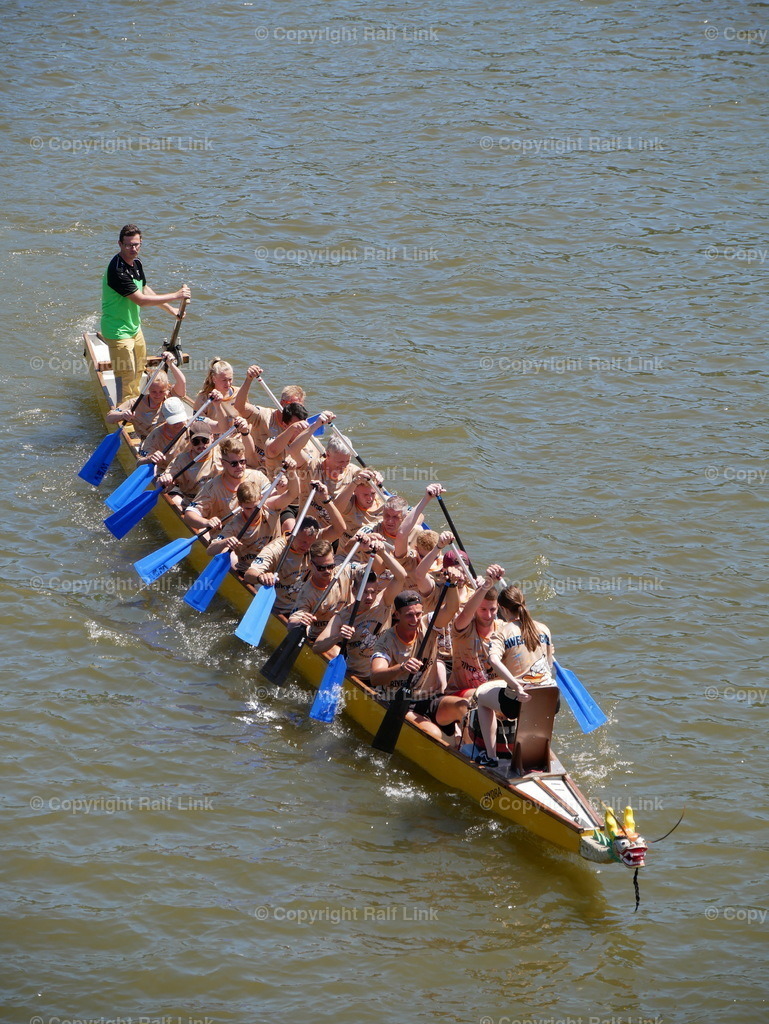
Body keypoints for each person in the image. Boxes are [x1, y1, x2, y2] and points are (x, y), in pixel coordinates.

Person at [101, 225, 190, 402]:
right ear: (120, 244)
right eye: (128, 245)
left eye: (136, 244)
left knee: (139, 369)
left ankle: (137, 405)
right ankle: (125, 416)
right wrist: (176, 295)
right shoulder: (117, 270)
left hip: (134, 328)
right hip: (117, 331)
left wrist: (171, 310)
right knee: (126, 376)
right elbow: (140, 300)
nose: (133, 249)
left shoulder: (137, 263)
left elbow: (144, 289)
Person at [370, 588, 469, 747]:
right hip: (402, 703)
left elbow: (452, 608)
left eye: (418, 614)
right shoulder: (386, 641)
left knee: (465, 708)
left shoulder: (428, 624)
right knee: (434, 734)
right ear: (397, 615)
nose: (415, 619)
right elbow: (375, 677)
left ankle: (468, 752)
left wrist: (452, 585)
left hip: (431, 698)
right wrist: (401, 667)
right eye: (409, 615)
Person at [472, 585, 555, 768]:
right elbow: (549, 664)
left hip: (518, 700)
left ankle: (491, 757)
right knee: (533, 705)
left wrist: (516, 685)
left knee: (482, 699)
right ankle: (541, 756)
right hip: (550, 699)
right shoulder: (544, 629)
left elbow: (493, 660)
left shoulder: (502, 632)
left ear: (502, 609)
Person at [312, 536, 407, 682]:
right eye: (364, 592)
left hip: (381, 674)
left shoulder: (383, 601)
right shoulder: (342, 617)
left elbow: (401, 577)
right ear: (354, 591)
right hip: (356, 675)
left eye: (373, 592)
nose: (369, 597)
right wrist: (338, 636)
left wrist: (382, 553)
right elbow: (317, 647)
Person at [244, 486, 345, 615]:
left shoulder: (314, 539)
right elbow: (249, 574)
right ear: (293, 533)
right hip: (280, 608)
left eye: (310, 543)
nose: (307, 546)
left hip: (304, 605)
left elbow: (340, 529)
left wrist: (326, 500)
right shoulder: (276, 549)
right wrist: (261, 576)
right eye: (303, 542)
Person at [182, 436, 294, 531]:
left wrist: (281, 488)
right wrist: (206, 522)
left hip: (260, 535)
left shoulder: (257, 477)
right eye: (234, 463)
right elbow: (189, 515)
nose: (240, 467)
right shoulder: (212, 488)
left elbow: (275, 500)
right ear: (223, 463)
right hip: (231, 539)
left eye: (242, 462)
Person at [232, 364, 307, 468]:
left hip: (280, 473)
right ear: (282, 403)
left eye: (300, 407)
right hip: (254, 467)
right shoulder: (264, 415)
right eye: (293, 405)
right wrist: (249, 379)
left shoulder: (302, 426)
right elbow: (239, 406)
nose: (297, 411)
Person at [206, 478, 284, 573]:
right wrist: (225, 542)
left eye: (256, 507)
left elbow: (293, 494)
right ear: (240, 505)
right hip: (249, 571)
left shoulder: (270, 508)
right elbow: (210, 550)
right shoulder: (234, 525)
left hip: (275, 566)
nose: (253, 512)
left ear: (261, 499)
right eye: (248, 508)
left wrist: (293, 473)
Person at [105, 354, 186, 440]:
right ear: (148, 389)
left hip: (170, 440)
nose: (158, 395)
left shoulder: (170, 398)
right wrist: (123, 415)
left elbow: (182, 382)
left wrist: (170, 364)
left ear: (167, 389)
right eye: (154, 391)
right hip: (149, 444)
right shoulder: (135, 403)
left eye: (161, 391)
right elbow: (109, 418)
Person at [158, 420, 222, 508]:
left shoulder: (222, 453)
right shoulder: (181, 460)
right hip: (191, 503)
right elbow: (164, 487)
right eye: (196, 441)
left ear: (212, 437)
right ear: (190, 441)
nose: (201, 445)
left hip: (217, 501)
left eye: (205, 440)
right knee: (175, 502)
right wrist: (164, 481)